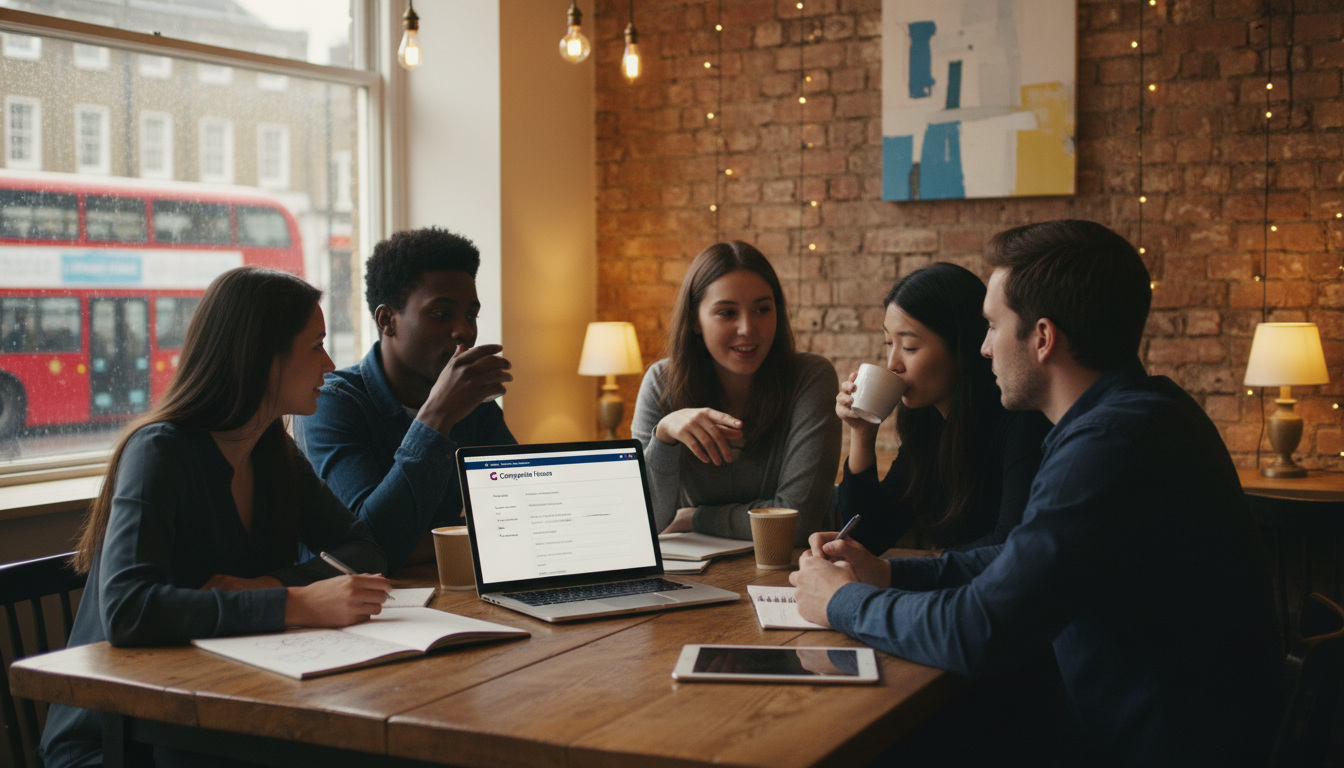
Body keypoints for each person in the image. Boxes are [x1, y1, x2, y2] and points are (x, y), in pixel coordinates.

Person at [793, 220, 1282, 766]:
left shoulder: (1107, 446)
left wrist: (841, 602)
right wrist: (888, 574)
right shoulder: (1141, 413)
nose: (982, 350)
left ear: (1043, 338)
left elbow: (980, 631)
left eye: (993, 327)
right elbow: (1016, 558)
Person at [40, 267, 390, 768]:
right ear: (261, 357)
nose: (330, 365)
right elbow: (127, 610)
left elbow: (364, 547)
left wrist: (265, 584)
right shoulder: (159, 452)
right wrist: (293, 603)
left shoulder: (273, 451)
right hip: (118, 736)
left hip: (220, 709)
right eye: (315, 347)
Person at [294, 227, 514, 571]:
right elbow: (368, 549)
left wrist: (429, 541)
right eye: (442, 314)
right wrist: (437, 415)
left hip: (442, 594)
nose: (465, 331)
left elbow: (520, 519)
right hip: (353, 610)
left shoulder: (473, 404)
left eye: (471, 315)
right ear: (387, 320)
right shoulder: (331, 401)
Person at [631, 240, 841, 545]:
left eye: (762, 309)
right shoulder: (661, 383)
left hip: (790, 573)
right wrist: (664, 437)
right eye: (727, 313)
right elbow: (643, 522)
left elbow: (794, 523)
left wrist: (695, 517)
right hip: (693, 572)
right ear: (694, 320)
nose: (747, 328)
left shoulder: (810, 377)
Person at [835, 263, 1052, 554]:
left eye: (909, 347)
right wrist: (862, 432)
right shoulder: (928, 424)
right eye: (889, 343)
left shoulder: (1021, 422)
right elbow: (867, 538)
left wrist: (899, 574)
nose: (892, 363)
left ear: (962, 347)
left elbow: (1011, 546)